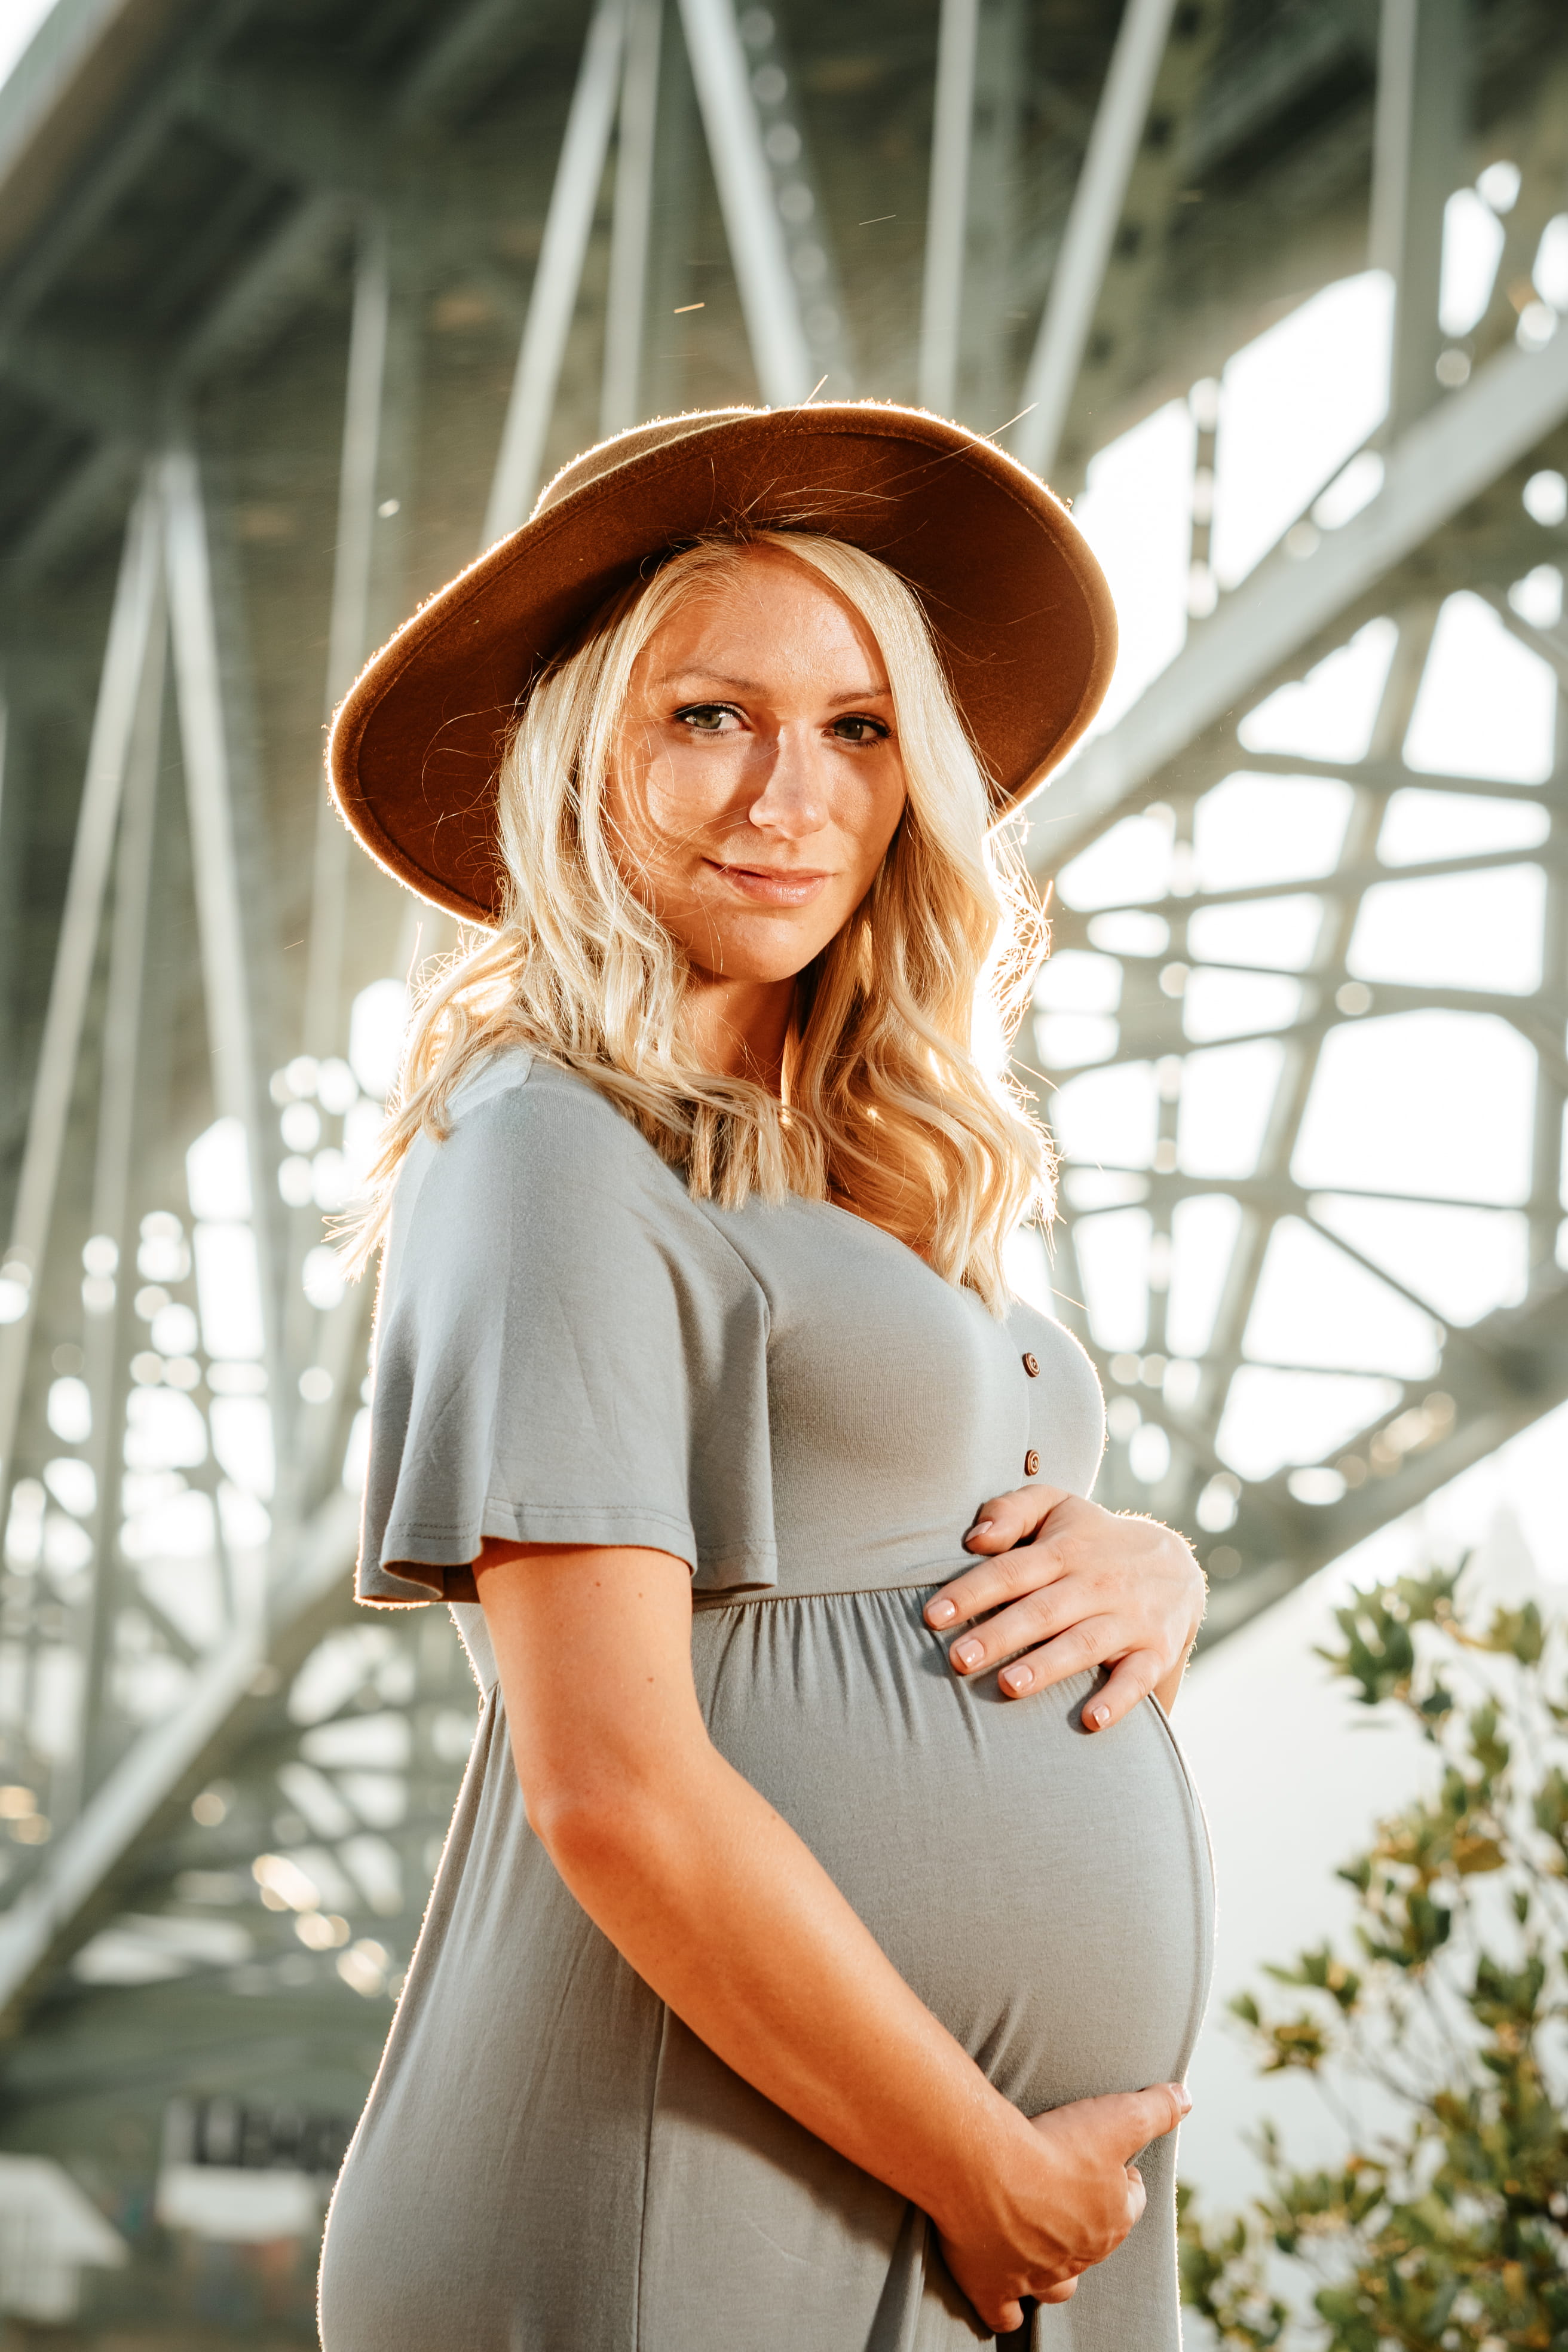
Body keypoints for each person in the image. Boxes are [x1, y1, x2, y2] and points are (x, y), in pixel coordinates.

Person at [316, 403, 1212, 2351]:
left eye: (861, 729)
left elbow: (924, 1521)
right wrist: (990, 2171)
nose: (785, 796)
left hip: (953, 2195)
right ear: (582, 761)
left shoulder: (864, 1149)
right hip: (687, 2188)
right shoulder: (543, 1141)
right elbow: (615, 1790)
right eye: (709, 718)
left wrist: (1148, 1570)